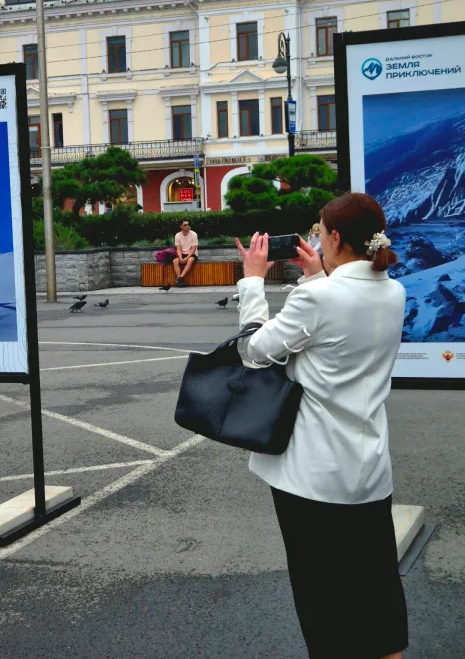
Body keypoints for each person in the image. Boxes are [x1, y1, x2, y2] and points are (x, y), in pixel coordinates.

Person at [234, 192, 408, 659]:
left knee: (322, 598)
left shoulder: (319, 296)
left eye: (319, 231)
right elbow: (338, 326)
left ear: (333, 237)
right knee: (377, 588)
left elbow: (254, 351)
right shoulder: (394, 291)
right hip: (370, 470)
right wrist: (317, 275)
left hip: (313, 477)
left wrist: (252, 282)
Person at [173, 219, 199, 287]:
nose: (187, 226)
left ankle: (180, 278)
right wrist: (181, 257)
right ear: (181, 226)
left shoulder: (193, 234)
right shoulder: (177, 235)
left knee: (190, 260)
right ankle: (179, 280)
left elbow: (193, 249)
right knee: (175, 261)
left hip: (192, 254)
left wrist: (187, 257)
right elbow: (178, 249)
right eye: (185, 225)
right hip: (182, 254)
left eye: (188, 224)